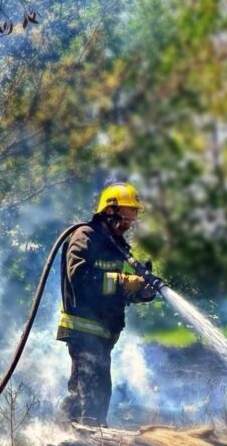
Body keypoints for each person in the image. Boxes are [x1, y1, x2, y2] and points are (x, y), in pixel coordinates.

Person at [57, 181, 160, 426]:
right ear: (110, 210)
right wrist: (125, 281)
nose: (129, 222)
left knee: (86, 396)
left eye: (133, 216)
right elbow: (80, 279)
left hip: (102, 333)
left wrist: (141, 291)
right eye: (126, 214)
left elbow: (114, 291)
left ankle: (61, 440)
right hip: (84, 330)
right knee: (93, 398)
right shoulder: (85, 237)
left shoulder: (113, 245)